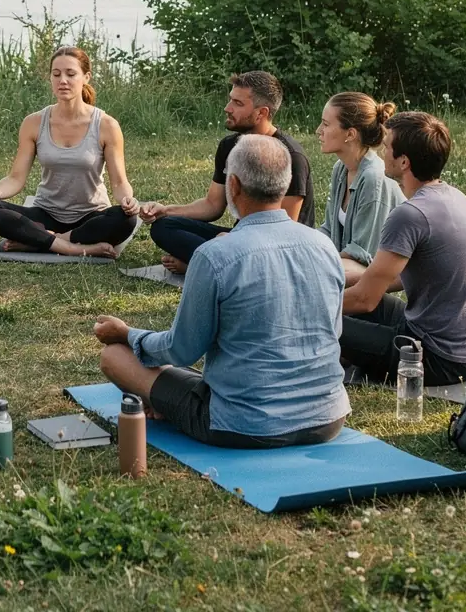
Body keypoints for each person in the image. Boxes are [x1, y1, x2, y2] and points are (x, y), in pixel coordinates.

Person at [95, 134, 349, 448]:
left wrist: (129, 334)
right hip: (328, 418)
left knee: (115, 356)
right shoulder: (324, 247)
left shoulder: (215, 255)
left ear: (234, 186)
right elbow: (332, 332)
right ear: (285, 186)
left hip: (242, 424)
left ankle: (163, 401)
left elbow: (181, 350)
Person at [341, 112, 466, 386]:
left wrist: (308, 306)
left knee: (314, 321)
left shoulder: (411, 214)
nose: (381, 152)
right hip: (459, 348)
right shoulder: (453, 196)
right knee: (337, 302)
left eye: (387, 147)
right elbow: (393, 279)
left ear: (404, 161)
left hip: (436, 359)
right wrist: (334, 284)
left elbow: (364, 300)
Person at [0, 47, 139, 258]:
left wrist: (127, 199)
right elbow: (15, 179)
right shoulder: (34, 122)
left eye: (70, 74)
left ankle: (40, 240)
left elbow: (119, 183)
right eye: (56, 75)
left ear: (86, 77)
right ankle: (70, 247)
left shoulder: (106, 125)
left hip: (90, 216)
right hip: (45, 213)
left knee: (126, 219)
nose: (62, 80)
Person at [139, 70, 314, 273]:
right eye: (230, 100)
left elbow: (284, 229)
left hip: (279, 248)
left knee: (245, 249)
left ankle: (205, 264)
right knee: (164, 226)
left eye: (238, 104)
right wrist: (166, 210)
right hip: (242, 237)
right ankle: (218, 263)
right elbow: (213, 205)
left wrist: (232, 241)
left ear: (262, 113)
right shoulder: (229, 146)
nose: (227, 108)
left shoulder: (291, 156)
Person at [315, 92, 403, 283]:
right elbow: (329, 231)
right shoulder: (341, 169)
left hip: (373, 282)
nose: (318, 130)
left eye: (326, 124)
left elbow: (364, 255)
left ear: (350, 134)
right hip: (350, 268)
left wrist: (314, 263)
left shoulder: (373, 178)